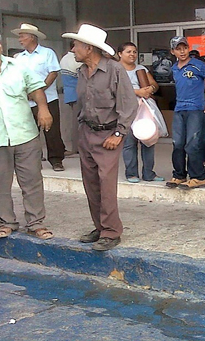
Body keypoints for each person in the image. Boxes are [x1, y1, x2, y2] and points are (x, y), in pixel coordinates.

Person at [0, 26, 54, 240]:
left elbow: (36, 89)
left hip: (25, 134)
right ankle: (6, 222)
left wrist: (43, 109)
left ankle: (36, 223)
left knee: (32, 181)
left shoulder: (18, 66)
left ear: (0, 45)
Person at [64, 24, 137, 251]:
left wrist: (119, 133)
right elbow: (82, 105)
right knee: (91, 184)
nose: (73, 49)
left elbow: (129, 105)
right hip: (87, 133)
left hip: (108, 135)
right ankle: (100, 227)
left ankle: (111, 231)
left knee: (106, 185)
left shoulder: (115, 70)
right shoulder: (81, 72)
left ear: (89, 48)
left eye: (76, 45)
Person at [166, 36, 205, 189]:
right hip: (179, 109)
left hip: (196, 109)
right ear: (173, 51)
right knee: (177, 143)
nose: (182, 51)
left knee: (193, 144)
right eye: (178, 49)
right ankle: (179, 175)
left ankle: (199, 177)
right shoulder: (174, 68)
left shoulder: (198, 65)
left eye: (184, 48)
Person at [12, 23, 66, 171]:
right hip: (27, 101)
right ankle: (35, 160)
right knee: (30, 132)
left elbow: (53, 73)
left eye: (22, 36)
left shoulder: (47, 53)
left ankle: (56, 160)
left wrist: (39, 90)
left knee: (52, 130)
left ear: (32, 37)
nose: (20, 39)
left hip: (48, 99)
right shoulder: (19, 58)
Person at [117, 42, 164, 183]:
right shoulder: (115, 69)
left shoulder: (141, 69)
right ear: (120, 54)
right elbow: (114, 90)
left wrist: (150, 89)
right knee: (129, 143)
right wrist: (137, 92)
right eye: (128, 52)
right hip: (126, 109)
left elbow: (154, 84)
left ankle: (149, 173)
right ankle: (131, 173)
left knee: (148, 140)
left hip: (144, 108)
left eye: (134, 52)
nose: (132, 54)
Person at [59, 40, 82, 156]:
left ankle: (76, 147)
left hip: (70, 93)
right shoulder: (75, 60)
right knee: (78, 122)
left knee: (76, 121)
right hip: (77, 93)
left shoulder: (65, 58)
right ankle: (76, 148)